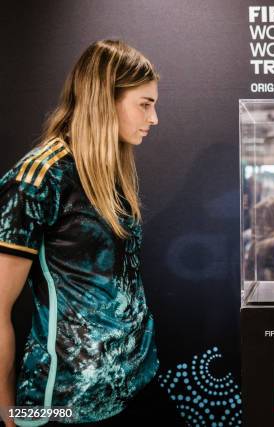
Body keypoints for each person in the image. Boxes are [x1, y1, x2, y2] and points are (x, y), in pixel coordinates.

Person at [0, 40, 166, 425]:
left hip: (134, 386)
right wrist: (8, 413)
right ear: (105, 98)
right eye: (144, 103)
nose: (154, 118)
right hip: (65, 404)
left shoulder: (113, 171)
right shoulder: (39, 178)